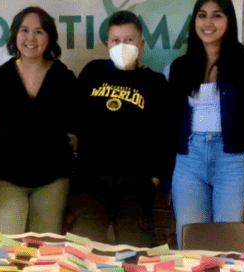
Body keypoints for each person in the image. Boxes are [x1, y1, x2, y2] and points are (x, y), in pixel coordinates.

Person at [167, 0, 244, 249]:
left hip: (233, 165)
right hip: (188, 164)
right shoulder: (180, 67)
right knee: (190, 245)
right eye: (202, 16)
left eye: (217, 16)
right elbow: (171, 127)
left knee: (229, 247)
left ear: (229, 22)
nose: (208, 23)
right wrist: (168, 178)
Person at [67, 10, 169, 247]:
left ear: (142, 44)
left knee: (136, 252)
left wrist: (155, 177)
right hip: (91, 180)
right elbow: (74, 117)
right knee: (83, 250)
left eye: (129, 40)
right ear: (107, 44)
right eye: (116, 40)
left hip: (135, 184)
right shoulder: (93, 71)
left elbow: (165, 132)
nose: (122, 45)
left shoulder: (155, 83)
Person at [0, 6, 75, 235]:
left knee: (45, 253)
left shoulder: (64, 78)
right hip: (5, 179)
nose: (31, 38)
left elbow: (78, 125)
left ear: (50, 37)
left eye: (39, 31)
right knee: (1, 251)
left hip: (52, 180)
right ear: (15, 35)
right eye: (24, 30)